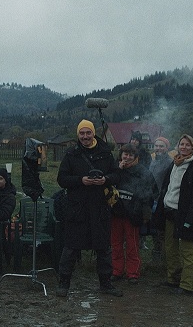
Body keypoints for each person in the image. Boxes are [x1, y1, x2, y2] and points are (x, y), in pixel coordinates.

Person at [55, 119, 122, 297]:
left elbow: (117, 175)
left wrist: (105, 179)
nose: (85, 136)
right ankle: (64, 283)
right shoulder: (71, 154)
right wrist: (80, 180)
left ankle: (106, 284)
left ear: (93, 133)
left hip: (100, 208)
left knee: (103, 248)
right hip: (77, 208)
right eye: (82, 133)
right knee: (70, 248)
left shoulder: (106, 153)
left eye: (88, 133)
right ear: (78, 135)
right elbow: (61, 179)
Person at [152, 134, 193, 296]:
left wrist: (190, 219)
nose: (184, 147)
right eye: (182, 144)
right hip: (170, 211)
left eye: (187, 145)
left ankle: (189, 286)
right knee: (170, 247)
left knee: (187, 250)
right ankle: (173, 279)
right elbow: (167, 187)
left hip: (185, 214)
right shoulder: (175, 163)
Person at [110, 144, 156, 284]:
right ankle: (116, 271)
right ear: (121, 155)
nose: (127, 157)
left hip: (133, 213)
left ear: (136, 158)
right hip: (116, 212)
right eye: (125, 154)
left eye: (131, 155)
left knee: (132, 245)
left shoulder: (143, 172)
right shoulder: (115, 169)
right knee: (116, 244)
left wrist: (146, 213)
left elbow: (150, 194)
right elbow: (109, 183)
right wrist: (119, 169)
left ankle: (133, 273)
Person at [148, 136, 173, 263]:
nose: (158, 148)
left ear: (167, 148)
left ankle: (163, 256)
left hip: (163, 199)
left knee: (161, 229)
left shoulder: (169, 163)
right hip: (152, 198)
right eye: (156, 146)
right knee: (154, 228)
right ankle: (157, 252)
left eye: (161, 146)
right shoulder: (153, 161)